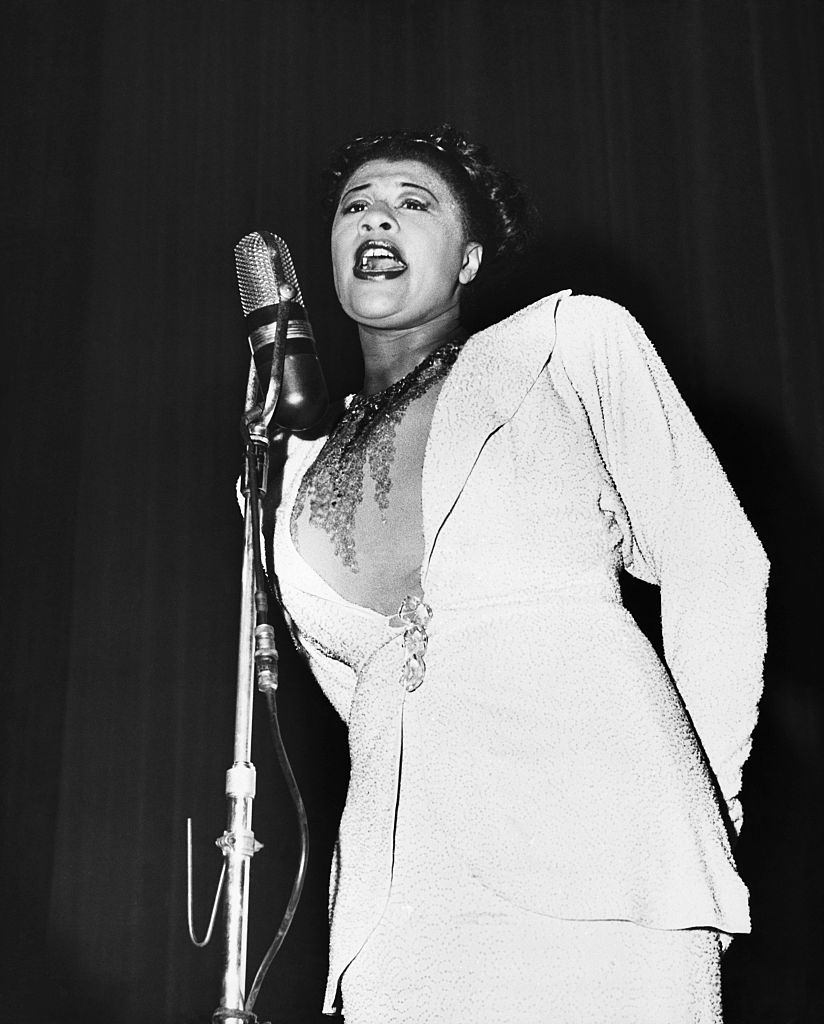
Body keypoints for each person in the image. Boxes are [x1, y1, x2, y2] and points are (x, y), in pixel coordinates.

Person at [265, 125, 769, 1023]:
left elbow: (717, 560)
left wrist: (702, 808)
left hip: (606, 862)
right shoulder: (297, 472)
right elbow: (354, 688)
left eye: (413, 203)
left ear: (468, 258)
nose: (377, 215)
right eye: (355, 206)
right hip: (401, 914)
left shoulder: (565, 345)